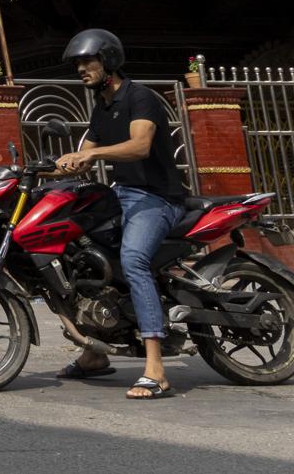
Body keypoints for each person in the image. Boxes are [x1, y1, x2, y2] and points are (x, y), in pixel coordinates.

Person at [53, 28, 186, 400]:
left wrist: (92, 155)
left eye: (87, 61)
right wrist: (38, 171)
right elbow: (81, 160)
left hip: (158, 198)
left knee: (133, 260)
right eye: (77, 64)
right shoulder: (103, 106)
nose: (81, 69)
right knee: (87, 260)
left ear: (109, 60)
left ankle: (156, 370)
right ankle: (95, 353)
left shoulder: (141, 97)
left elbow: (140, 145)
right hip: (123, 195)